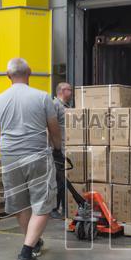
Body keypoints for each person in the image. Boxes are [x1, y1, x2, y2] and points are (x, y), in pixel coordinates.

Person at [0, 58, 61, 260]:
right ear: (29, 73)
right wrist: (57, 148)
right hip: (36, 155)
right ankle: (26, 253)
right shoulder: (42, 97)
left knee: (21, 203)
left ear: (7, 76)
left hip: (9, 156)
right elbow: (53, 127)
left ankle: (32, 242)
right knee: (43, 203)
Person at [51, 82, 73, 219]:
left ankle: (64, 208)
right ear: (63, 91)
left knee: (63, 180)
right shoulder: (55, 105)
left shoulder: (67, 107)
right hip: (57, 149)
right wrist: (55, 148)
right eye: (69, 90)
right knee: (58, 180)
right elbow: (50, 127)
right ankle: (54, 208)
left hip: (66, 148)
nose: (71, 93)